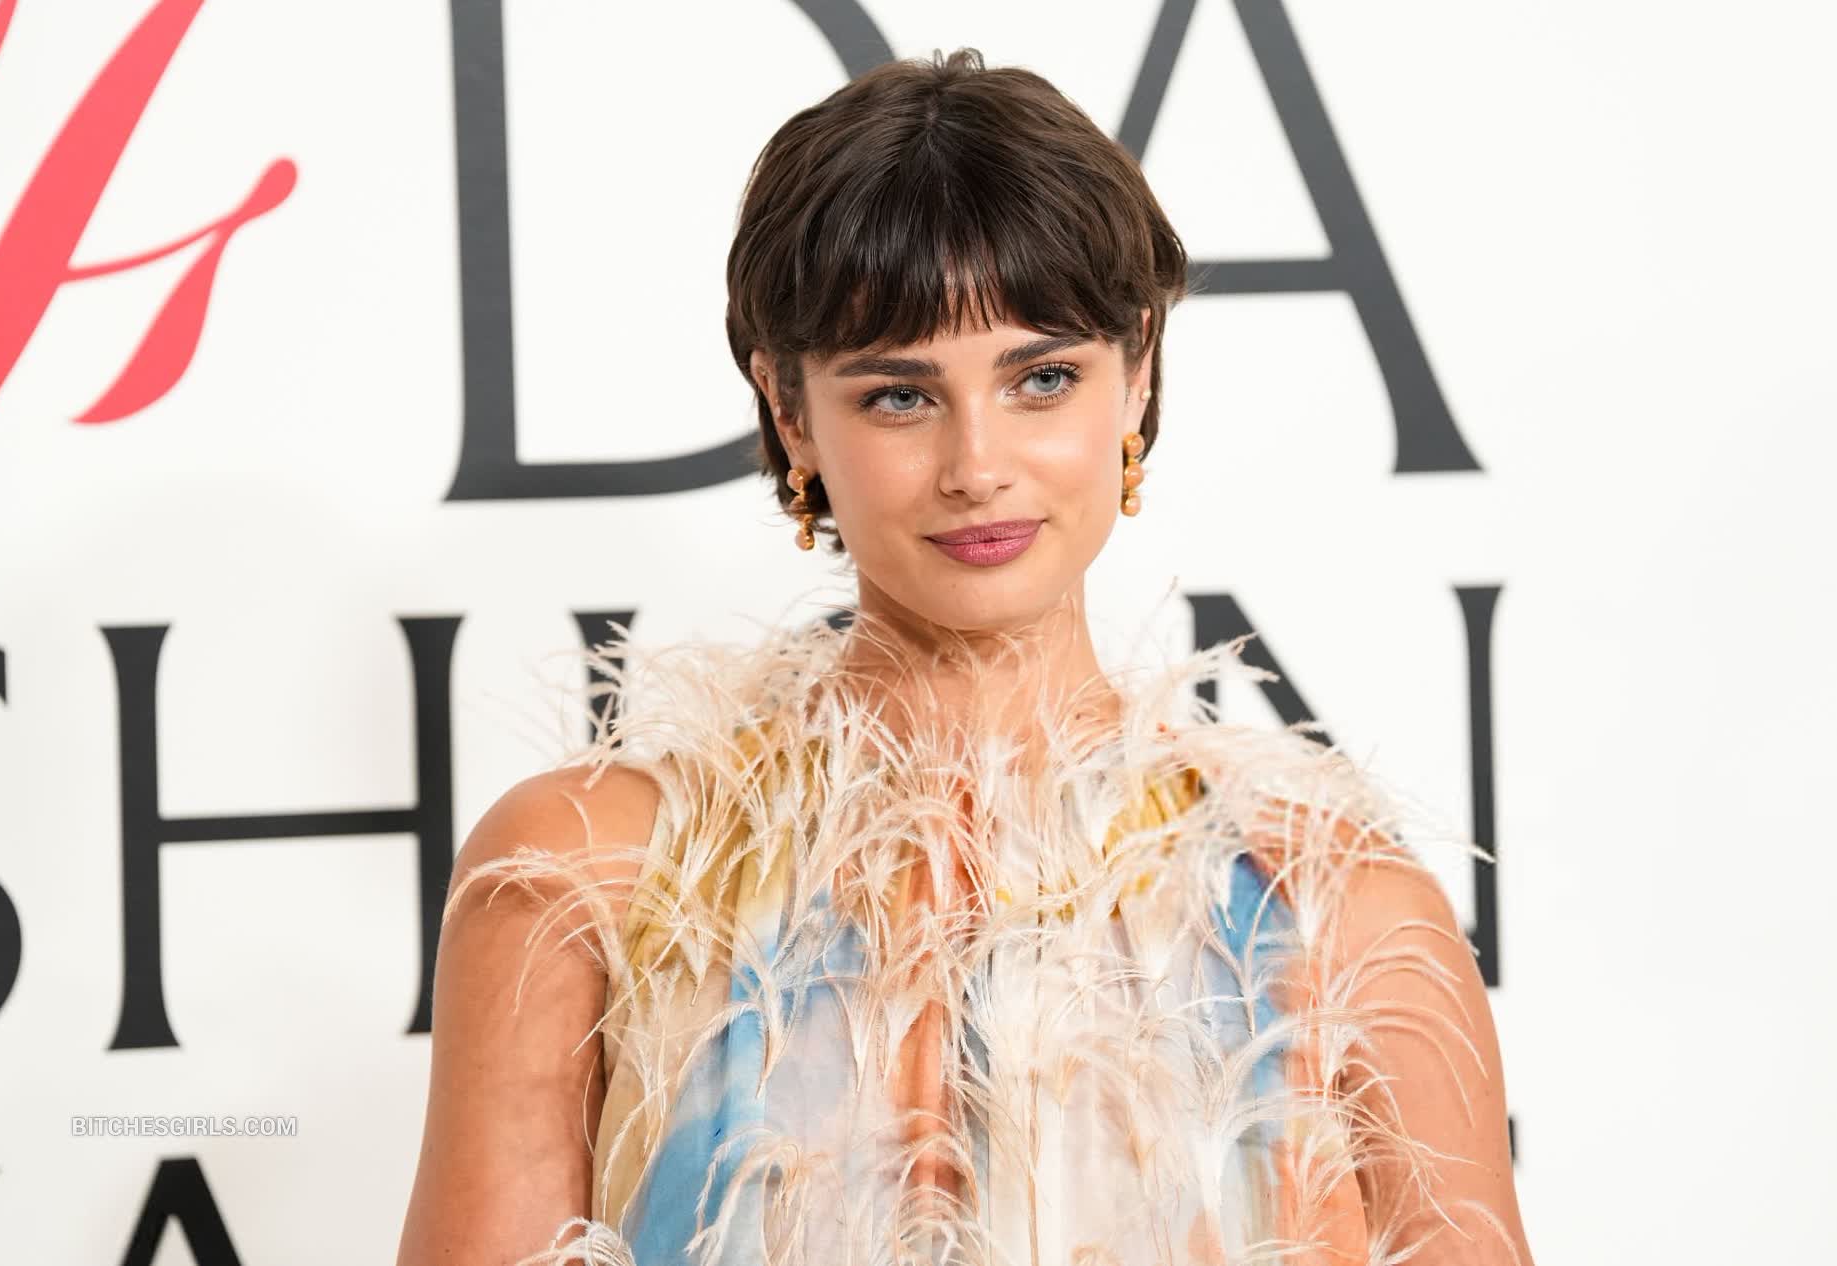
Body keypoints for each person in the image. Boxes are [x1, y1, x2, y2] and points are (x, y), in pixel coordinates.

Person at [398, 47, 1532, 1266]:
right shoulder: (586, 874)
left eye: (1041, 378)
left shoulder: (1336, 906)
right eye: (899, 396)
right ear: (789, 411)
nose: (976, 467)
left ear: (1137, 372)